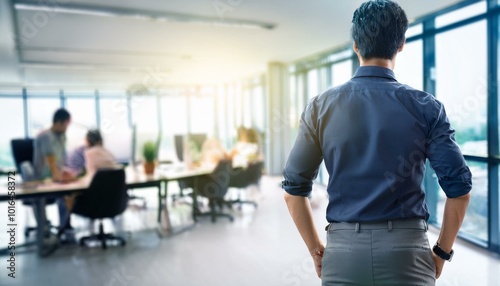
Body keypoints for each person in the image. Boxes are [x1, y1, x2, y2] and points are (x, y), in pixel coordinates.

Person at [282, 1, 472, 285]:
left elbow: (293, 191)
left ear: (356, 45)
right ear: (401, 45)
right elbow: (459, 190)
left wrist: (315, 250)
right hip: (406, 253)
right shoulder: (426, 107)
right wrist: (442, 252)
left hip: (343, 253)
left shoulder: (320, 107)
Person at [32, 108, 72, 252]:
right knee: (42, 199)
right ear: (60, 122)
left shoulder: (62, 136)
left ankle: (64, 228)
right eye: (67, 124)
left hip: (57, 178)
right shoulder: (45, 136)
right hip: (42, 179)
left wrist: (67, 172)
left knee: (70, 195)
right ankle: (44, 231)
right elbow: (51, 159)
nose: (67, 127)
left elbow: (63, 158)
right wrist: (57, 175)